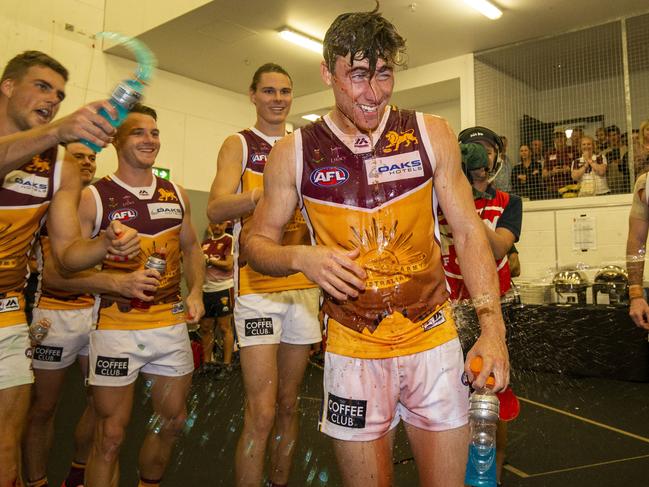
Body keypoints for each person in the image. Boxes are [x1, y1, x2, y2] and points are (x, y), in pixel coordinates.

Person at [242, 8, 510, 486]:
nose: (373, 92)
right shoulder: (294, 151)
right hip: (352, 348)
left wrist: (492, 328)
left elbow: (469, 234)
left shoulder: (431, 133)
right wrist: (301, 257)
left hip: (433, 340)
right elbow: (254, 244)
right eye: (358, 75)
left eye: (384, 73)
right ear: (327, 72)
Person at [0, 50, 139, 487]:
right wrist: (56, 130)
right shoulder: (52, 141)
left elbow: (65, 256)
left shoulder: (60, 165)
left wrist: (103, 244)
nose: (52, 99)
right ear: (7, 85)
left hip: (7, 311)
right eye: (42, 86)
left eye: (59, 95)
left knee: (6, 445)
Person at [207, 63, 321, 487]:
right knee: (263, 409)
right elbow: (215, 208)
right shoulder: (239, 143)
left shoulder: (308, 145)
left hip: (304, 286)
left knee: (290, 404)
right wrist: (261, 193)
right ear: (252, 95)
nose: (277, 99)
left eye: (285, 91)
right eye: (269, 91)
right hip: (257, 287)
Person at [79, 104, 204, 487]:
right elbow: (69, 269)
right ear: (116, 139)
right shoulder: (94, 197)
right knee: (110, 435)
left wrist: (196, 292)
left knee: (174, 420)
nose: (150, 139)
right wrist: (115, 282)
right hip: (116, 327)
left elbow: (192, 248)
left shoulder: (177, 193)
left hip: (169, 322)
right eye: (138, 132)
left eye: (154, 132)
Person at [438, 136, 522, 487]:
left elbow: (502, 246)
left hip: (495, 311)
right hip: (449, 310)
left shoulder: (509, 201)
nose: (479, 160)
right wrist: (452, 192)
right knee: (448, 400)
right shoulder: (439, 196)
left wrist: (465, 211)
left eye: (486, 152)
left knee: (492, 399)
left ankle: (492, 477)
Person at [22, 142, 99, 487]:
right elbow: (55, 271)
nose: (86, 162)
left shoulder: (103, 201)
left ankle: (77, 474)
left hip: (97, 315)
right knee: (43, 408)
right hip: (53, 316)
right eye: (78, 156)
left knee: (102, 402)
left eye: (92, 157)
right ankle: (37, 480)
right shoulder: (51, 204)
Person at [199, 221, 235, 374]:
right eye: (214, 224)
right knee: (206, 328)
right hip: (206, 290)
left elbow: (228, 264)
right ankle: (207, 363)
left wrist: (208, 260)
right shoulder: (205, 243)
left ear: (226, 224)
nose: (217, 227)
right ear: (210, 225)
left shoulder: (229, 240)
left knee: (224, 327)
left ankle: (226, 365)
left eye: (220, 224)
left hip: (223, 288)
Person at [543, 131, 574, 199]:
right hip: (553, 189)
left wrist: (569, 169)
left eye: (561, 137)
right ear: (554, 140)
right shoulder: (549, 153)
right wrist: (552, 172)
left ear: (566, 138)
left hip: (570, 187)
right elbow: (544, 174)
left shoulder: (572, 150)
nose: (559, 139)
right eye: (557, 137)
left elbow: (578, 167)